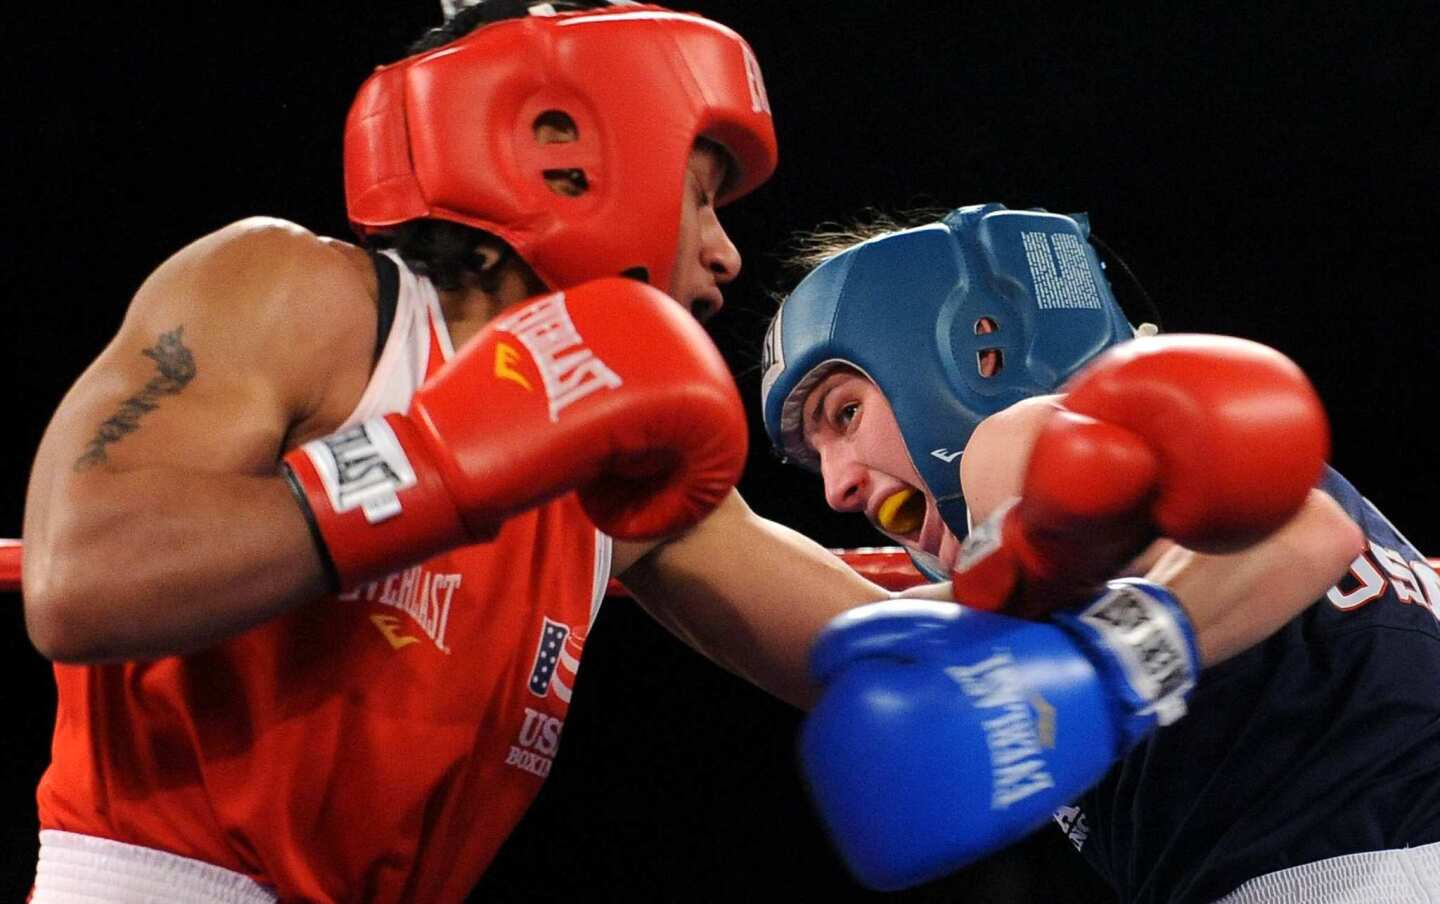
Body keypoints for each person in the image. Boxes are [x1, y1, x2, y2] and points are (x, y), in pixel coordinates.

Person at [18, 3, 898, 901]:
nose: (725, 255)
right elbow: (77, 577)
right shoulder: (303, 296)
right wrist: (432, 462)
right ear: (564, 148)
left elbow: (876, 655)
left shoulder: (617, 464)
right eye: (702, 195)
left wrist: (1024, 542)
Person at [760, 202, 1440, 902]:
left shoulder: (1017, 446)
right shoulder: (1093, 523)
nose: (837, 487)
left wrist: (1118, 663)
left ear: (979, 348)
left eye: (845, 414)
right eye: (816, 461)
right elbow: (848, 629)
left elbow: (1308, 532)